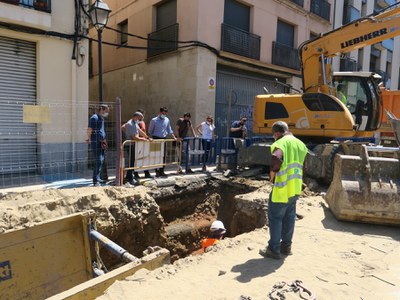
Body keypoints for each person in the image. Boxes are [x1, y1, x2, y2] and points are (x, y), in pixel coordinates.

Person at [259, 121, 308, 259]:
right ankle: (286, 247)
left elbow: (276, 157)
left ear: (277, 133)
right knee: (289, 217)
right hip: (295, 188)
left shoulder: (281, 143)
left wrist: (273, 172)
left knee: (275, 218)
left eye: (274, 135)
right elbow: (304, 166)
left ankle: (273, 249)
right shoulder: (301, 144)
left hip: (282, 188)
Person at [121, 112, 152, 185]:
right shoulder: (131, 124)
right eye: (140, 119)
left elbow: (140, 131)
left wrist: (147, 137)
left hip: (133, 144)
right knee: (131, 162)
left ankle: (129, 176)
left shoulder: (134, 123)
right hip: (130, 145)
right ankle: (129, 178)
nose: (140, 121)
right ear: (136, 117)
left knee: (132, 161)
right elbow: (134, 137)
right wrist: (144, 139)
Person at [148, 107, 177, 177]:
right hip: (156, 138)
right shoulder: (154, 120)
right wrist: (151, 137)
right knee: (156, 155)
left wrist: (174, 137)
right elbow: (150, 131)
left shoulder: (167, 120)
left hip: (164, 139)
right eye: (163, 113)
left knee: (163, 155)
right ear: (160, 112)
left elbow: (169, 129)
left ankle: (162, 170)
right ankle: (156, 170)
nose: (164, 115)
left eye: (165, 114)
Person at [87, 104, 110, 186]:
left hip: (101, 142)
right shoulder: (94, 118)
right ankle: (95, 180)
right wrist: (89, 139)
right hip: (95, 141)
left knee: (101, 160)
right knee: (98, 160)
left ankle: (98, 178)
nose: (107, 112)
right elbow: (89, 129)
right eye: (106, 110)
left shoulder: (102, 118)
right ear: (102, 110)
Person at [135, 109, 153, 179]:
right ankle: (138, 173)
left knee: (144, 157)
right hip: (140, 141)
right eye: (142, 114)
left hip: (143, 141)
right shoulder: (138, 122)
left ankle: (145, 172)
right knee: (139, 158)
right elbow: (141, 131)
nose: (143, 116)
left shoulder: (139, 122)